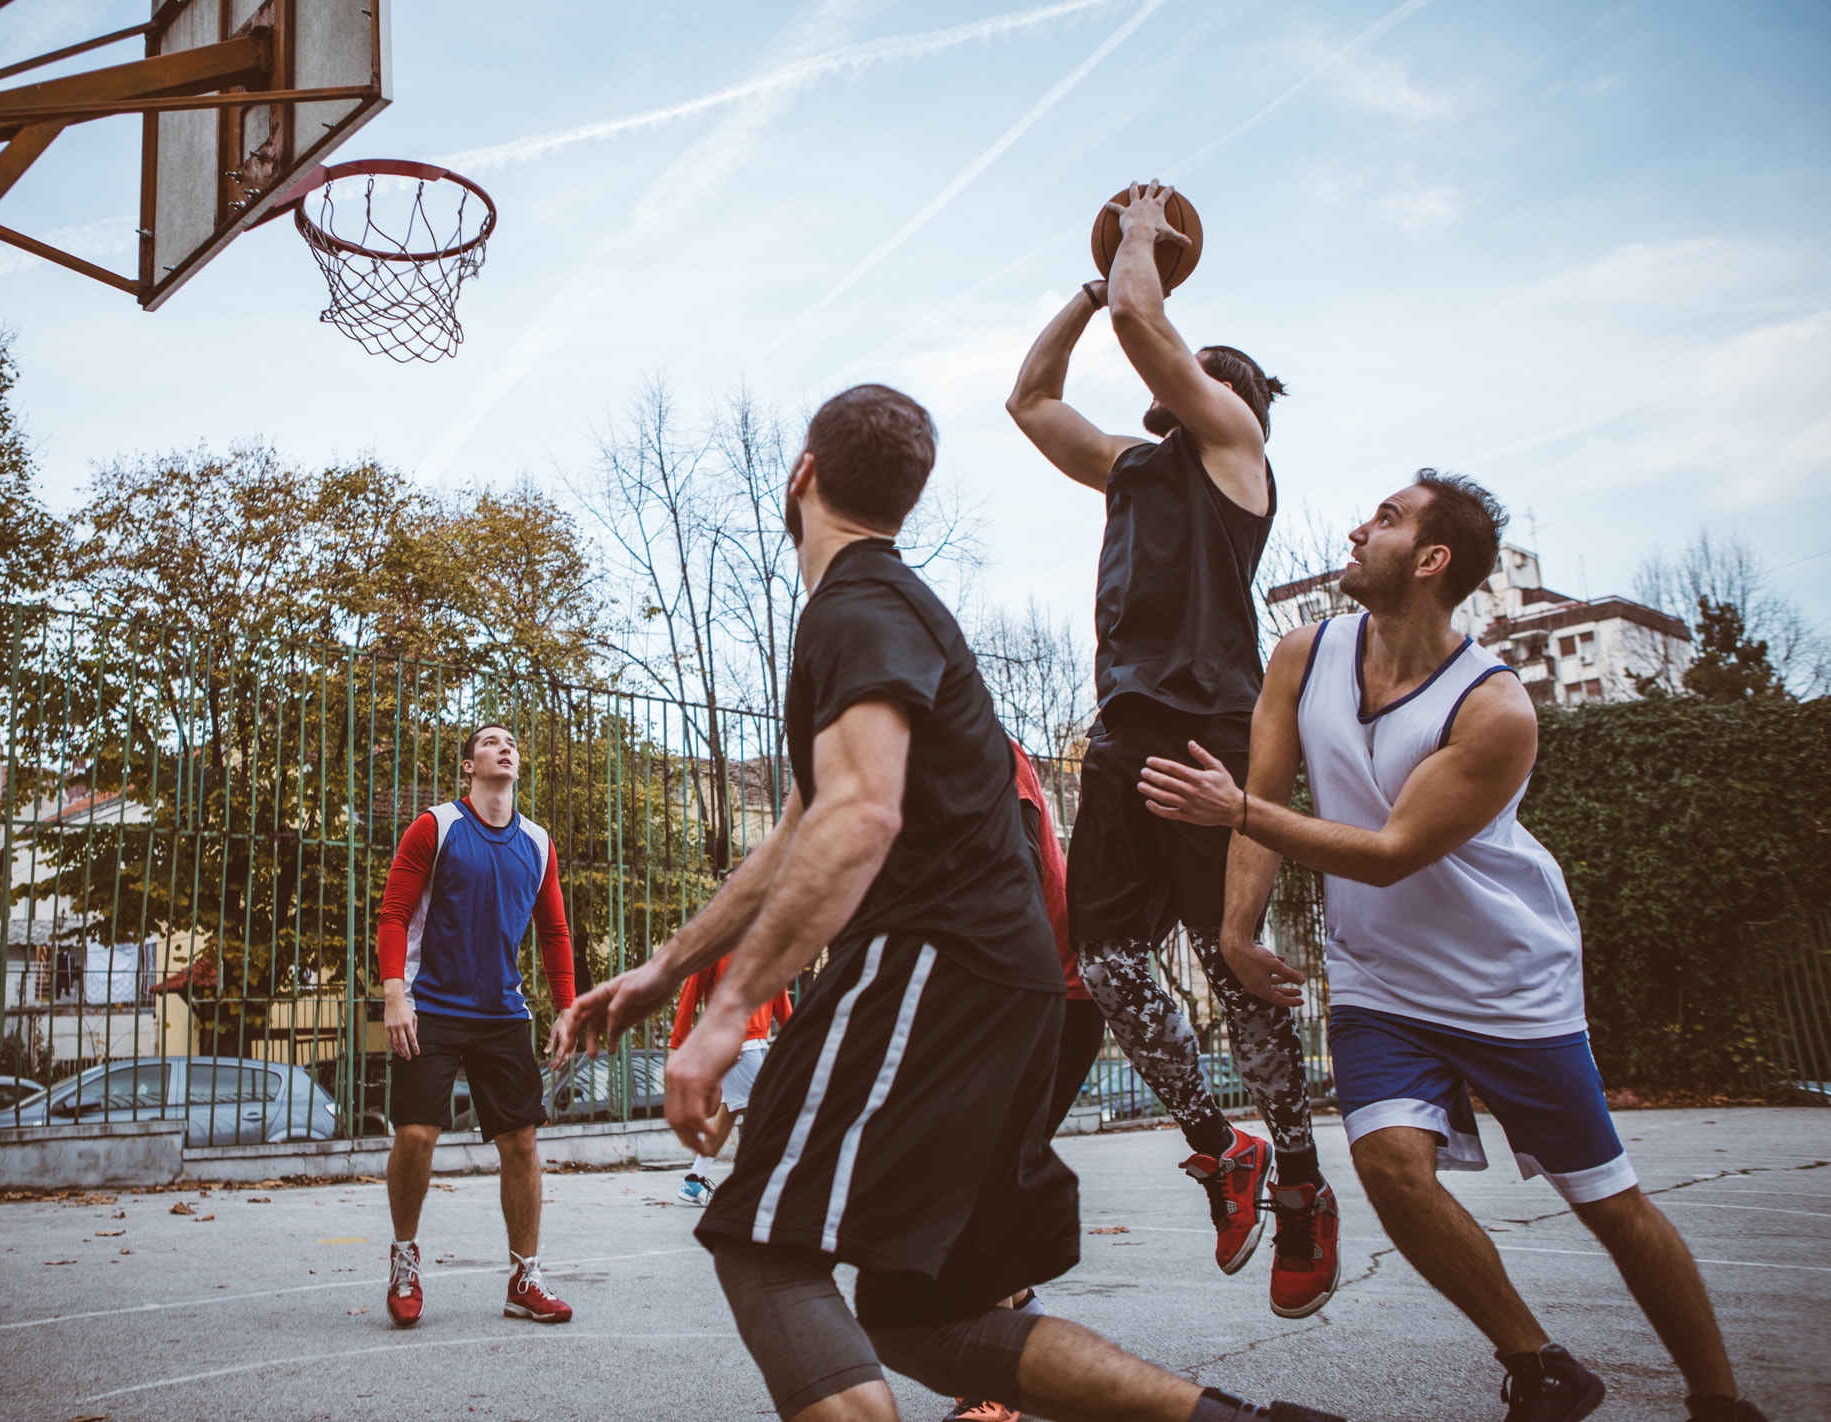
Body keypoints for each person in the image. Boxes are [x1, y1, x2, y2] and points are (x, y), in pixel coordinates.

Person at [552, 383, 1341, 1422]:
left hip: (933, 961)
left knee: (761, 1246)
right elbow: (802, 823)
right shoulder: (883, 609)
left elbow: (859, 821)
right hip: (1001, 982)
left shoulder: (858, 606)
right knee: (929, 1319)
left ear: (801, 478)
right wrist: (665, 970)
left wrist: (725, 1016)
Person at [1137, 471, 1767, 1422]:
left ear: (1431, 561)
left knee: (1608, 1205)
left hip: (1505, 981)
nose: (1357, 527)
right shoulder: (1302, 657)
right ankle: (1539, 1365)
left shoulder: (1492, 710)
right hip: (1378, 978)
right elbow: (1260, 810)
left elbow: (1389, 853)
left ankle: (1720, 1400)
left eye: (1385, 519)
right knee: (1391, 1168)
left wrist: (1242, 809)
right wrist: (1234, 932)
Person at [1005, 181, 1336, 1318]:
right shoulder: (1131, 471)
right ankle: (1221, 1149)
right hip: (1122, 734)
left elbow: (1150, 332)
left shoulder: (1236, 450)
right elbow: (1029, 399)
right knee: (1104, 964)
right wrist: (1089, 287)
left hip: (1210, 734)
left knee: (1230, 959)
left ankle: (1298, 1181)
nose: (1187, 375)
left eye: (1206, 367)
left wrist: (1140, 244)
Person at [375, 723, 576, 1328]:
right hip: (430, 1006)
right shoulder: (436, 827)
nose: (505, 746)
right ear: (469, 766)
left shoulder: (537, 842)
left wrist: (567, 1007)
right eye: (490, 741)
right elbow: (394, 914)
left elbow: (554, 932)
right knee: (415, 1136)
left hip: (501, 1014)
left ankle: (524, 1277)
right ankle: (405, 1259)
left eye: (512, 741)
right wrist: (393, 995)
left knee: (521, 1142)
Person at [936, 740, 1106, 1422]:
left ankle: (993, 1382)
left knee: (971, 1182)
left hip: (1043, 1000)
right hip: (1035, 996)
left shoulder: (974, 746)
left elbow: (1017, 867)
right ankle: (1019, 1328)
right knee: (976, 1179)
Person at [671, 956, 793, 1204]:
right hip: (733, 1042)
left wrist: (796, 1033)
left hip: (755, 1041)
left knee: (732, 1108)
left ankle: (694, 1180)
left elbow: (778, 992)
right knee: (769, 1107)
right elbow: (691, 990)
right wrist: (677, 1042)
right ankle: (757, 1186)